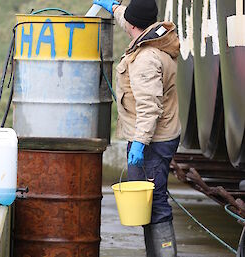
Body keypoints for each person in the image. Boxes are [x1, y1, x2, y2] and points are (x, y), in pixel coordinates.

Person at [93, 0, 181, 256]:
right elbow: (129, 20)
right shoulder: (154, 37)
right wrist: (114, 8)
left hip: (153, 139)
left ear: (134, 25)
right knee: (150, 203)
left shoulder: (145, 60)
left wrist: (141, 142)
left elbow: (149, 107)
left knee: (154, 204)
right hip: (161, 134)